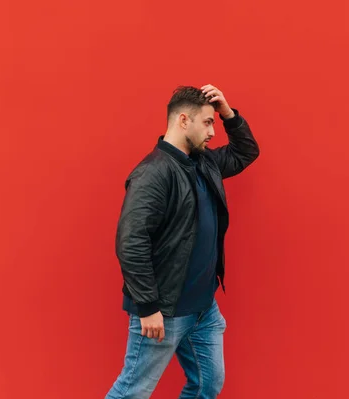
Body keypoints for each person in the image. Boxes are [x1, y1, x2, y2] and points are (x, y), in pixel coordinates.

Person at [106, 84, 259, 399]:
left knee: (207, 385)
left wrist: (228, 113)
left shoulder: (204, 163)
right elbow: (131, 242)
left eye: (214, 123)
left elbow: (246, 152)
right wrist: (148, 307)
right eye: (208, 122)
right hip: (165, 311)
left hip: (204, 308)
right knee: (131, 391)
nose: (213, 131)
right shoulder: (153, 173)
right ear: (183, 121)